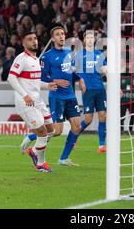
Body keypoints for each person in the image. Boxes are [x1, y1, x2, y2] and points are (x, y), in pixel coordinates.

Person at [21, 26, 84, 166]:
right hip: (57, 97)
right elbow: (41, 76)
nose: (61, 37)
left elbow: (71, 71)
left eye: (63, 34)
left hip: (70, 95)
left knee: (77, 126)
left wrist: (80, 79)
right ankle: (32, 137)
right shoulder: (47, 56)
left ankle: (63, 158)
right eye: (58, 35)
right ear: (53, 38)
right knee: (57, 131)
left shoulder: (69, 53)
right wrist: (54, 81)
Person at [7, 30, 57, 173]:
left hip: (38, 101)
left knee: (51, 131)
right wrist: (24, 95)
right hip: (26, 103)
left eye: (35, 38)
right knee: (42, 133)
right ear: (24, 43)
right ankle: (41, 163)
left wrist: (47, 85)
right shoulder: (21, 58)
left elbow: (34, 81)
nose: (34, 41)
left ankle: (34, 151)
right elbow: (11, 78)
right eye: (30, 39)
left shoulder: (35, 59)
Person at [73, 30, 107, 153]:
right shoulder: (79, 55)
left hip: (100, 89)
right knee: (88, 119)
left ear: (94, 40)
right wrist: (79, 81)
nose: (90, 39)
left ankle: (102, 145)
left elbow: (105, 70)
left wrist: (116, 86)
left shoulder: (99, 55)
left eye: (92, 37)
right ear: (84, 40)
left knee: (103, 116)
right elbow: (72, 72)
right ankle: (74, 136)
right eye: (87, 37)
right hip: (88, 91)